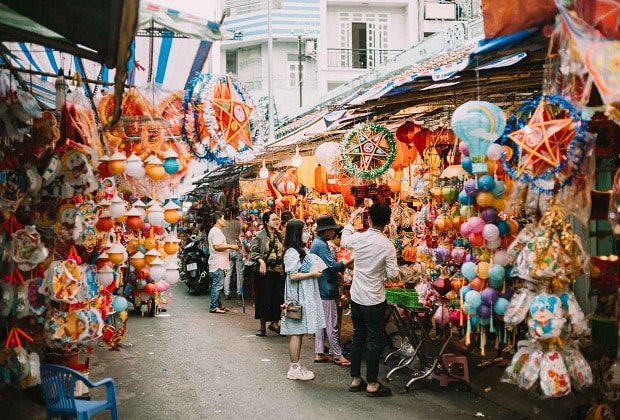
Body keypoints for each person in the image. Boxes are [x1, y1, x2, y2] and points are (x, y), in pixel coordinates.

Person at [341, 202, 399, 397]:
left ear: (370, 219)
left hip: (357, 296)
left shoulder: (358, 238)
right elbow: (393, 274)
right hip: (374, 299)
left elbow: (344, 239)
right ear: (387, 222)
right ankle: (372, 383)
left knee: (358, 336)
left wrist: (351, 220)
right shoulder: (387, 246)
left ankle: (356, 379)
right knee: (375, 340)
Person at [281, 219, 325, 380]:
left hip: (302, 295)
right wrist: (311, 274)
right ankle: (294, 367)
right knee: (295, 332)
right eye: (304, 229)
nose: (307, 232)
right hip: (297, 298)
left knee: (298, 332)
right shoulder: (292, 252)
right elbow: (292, 275)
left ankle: (296, 364)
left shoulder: (300, 250)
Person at [310, 215, 353, 366]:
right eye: (332, 230)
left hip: (322, 286)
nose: (334, 233)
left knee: (321, 323)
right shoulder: (321, 245)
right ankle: (337, 355)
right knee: (331, 323)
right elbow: (333, 266)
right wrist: (351, 261)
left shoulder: (318, 243)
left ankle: (319, 352)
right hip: (326, 288)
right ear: (327, 231)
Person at [249, 211, 285, 336]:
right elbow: (253, 252)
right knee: (263, 298)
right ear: (266, 222)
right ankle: (262, 327)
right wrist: (261, 261)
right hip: (264, 272)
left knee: (278, 298)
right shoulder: (258, 235)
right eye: (274, 219)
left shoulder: (281, 236)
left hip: (278, 271)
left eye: (277, 219)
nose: (277, 221)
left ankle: (275, 323)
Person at [208, 211, 239, 314]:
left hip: (219, 263)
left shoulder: (216, 231)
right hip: (218, 264)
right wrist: (231, 246)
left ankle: (218, 305)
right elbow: (217, 246)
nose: (225, 220)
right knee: (217, 286)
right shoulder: (216, 231)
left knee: (218, 285)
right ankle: (214, 306)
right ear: (218, 220)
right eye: (223, 218)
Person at [222, 208, 243, 300]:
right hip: (238, 248)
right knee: (240, 273)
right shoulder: (240, 223)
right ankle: (239, 293)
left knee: (228, 272)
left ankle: (227, 293)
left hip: (228, 249)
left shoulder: (224, 225)